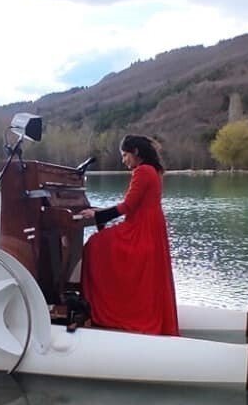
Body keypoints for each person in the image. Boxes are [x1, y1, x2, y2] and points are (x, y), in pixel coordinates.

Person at [77, 135, 179, 336]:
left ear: (136, 152)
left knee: (94, 245)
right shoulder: (153, 171)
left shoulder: (142, 171)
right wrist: (99, 212)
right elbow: (133, 205)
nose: (123, 160)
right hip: (150, 227)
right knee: (100, 244)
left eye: (125, 155)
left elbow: (127, 206)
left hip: (140, 230)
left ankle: (100, 307)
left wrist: (97, 215)